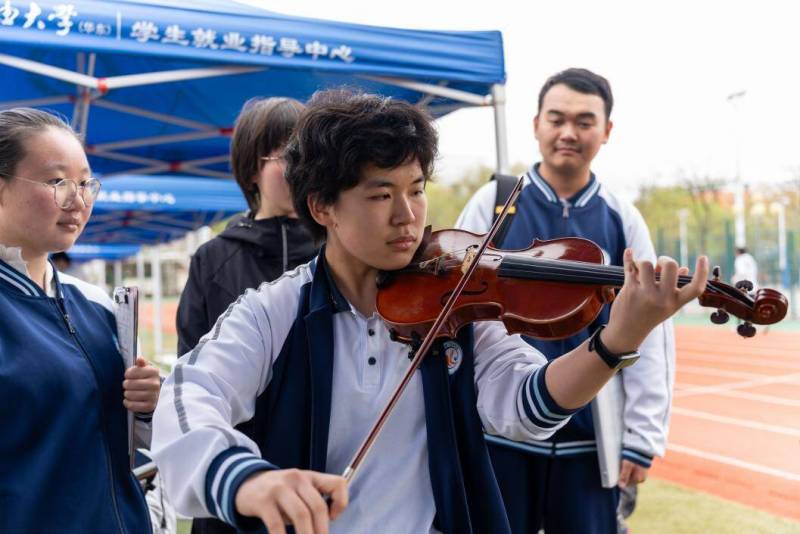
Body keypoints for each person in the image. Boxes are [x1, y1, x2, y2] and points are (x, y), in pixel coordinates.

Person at [151, 89, 707, 534]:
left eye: (416, 190)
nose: (408, 216)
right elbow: (187, 400)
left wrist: (615, 340)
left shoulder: (456, 305)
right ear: (322, 207)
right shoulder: (275, 310)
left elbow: (527, 405)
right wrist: (246, 480)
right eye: (379, 194)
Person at [456, 68, 676, 534]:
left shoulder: (623, 217)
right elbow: (458, 308)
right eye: (556, 119)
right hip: (500, 434)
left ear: (607, 131)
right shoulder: (494, 202)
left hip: (589, 441)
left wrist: (641, 438)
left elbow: (651, 332)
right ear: (536, 124)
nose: (568, 133)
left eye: (584, 121)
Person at [0, 108, 161, 532]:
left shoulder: (98, 305)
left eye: (86, 182)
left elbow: (134, 448)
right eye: (57, 182)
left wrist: (146, 408)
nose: (79, 200)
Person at [176, 97, 317, 358]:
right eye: (288, 155)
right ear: (253, 168)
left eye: (308, 156)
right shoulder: (212, 259)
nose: (300, 169)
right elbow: (191, 360)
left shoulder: (339, 249)